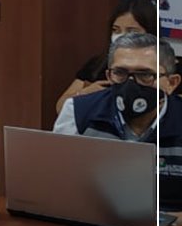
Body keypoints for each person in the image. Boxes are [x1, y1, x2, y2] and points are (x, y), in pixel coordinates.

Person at [54, 33, 182, 210]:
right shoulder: (78, 112)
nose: (131, 83)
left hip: (170, 222)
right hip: (95, 217)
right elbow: (57, 183)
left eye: (145, 74)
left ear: (171, 83)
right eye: (120, 73)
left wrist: (168, 220)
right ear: (108, 75)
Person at [54, 0, 156, 115]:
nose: (122, 36)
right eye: (116, 30)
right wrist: (84, 94)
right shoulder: (97, 65)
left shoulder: (162, 67)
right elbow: (60, 107)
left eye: (131, 31)